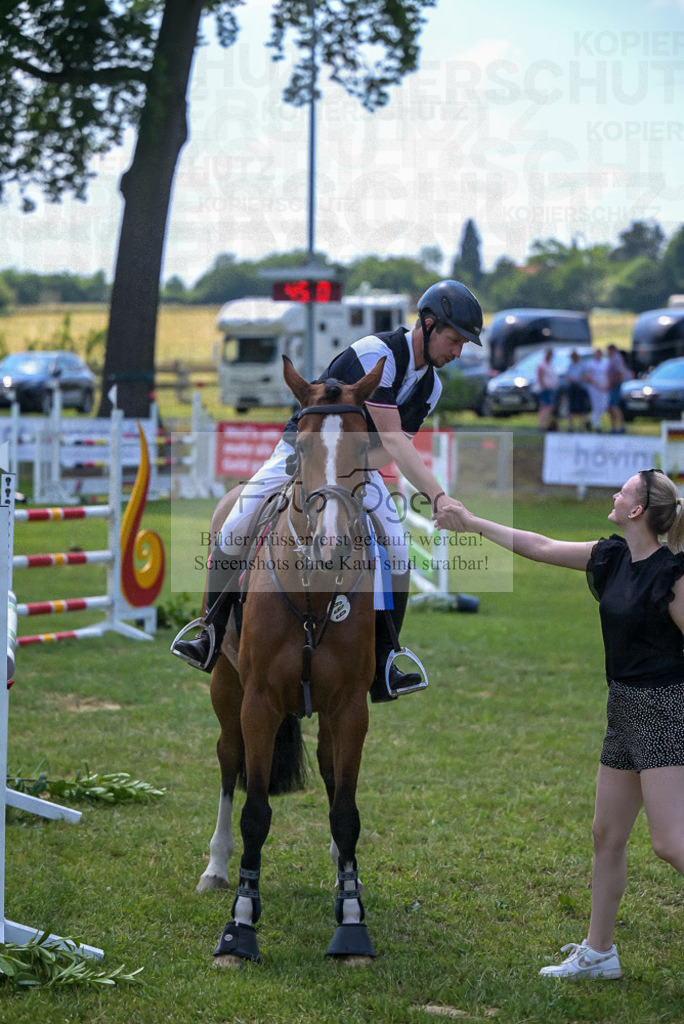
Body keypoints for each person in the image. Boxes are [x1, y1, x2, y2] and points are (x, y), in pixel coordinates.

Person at [172, 279, 484, 703]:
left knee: (396, 548)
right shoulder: (378, 354)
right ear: (428, 325)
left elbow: (387, 452)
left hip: (353, 467)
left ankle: (388, 658)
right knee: (235, 526)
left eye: (464, 343)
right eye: (454, 339)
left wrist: (346, 475)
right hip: (299, 453)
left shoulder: (432, 387)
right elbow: (393, 439)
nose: (458, 351)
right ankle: (209, 630)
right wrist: (439, 497)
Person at [434, 468, 684, 979]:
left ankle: (599, 952)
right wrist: (473, 522)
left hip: (664, 709)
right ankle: (599, 953)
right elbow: (542, 546)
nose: (614, 494)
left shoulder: (671, 576)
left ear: (638, 510)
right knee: (607, 833)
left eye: (624, 490)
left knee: (670, 843)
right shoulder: (612, 556)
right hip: (624, 709)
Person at [584, 348, 609, 432]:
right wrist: (596, 385)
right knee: (596, 405)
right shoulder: (591, 363)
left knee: (603, 405)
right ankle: (597, 424)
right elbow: (588, 375)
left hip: (603, 386)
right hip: (594, 387)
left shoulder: (605, 363)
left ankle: (590, 420)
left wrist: (605, 385)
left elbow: (607, 374)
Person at [565, 349, 589, 431]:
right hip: (572, 387)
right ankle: (571, 426)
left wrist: (579, 379)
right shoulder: (571, 365)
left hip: (580, 388)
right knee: (571, 407)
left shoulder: (582, 365)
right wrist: (571, 379)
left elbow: (586, 375)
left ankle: (582, 426)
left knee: (581, 408)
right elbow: (567, 375)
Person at [606, 343, 628, 434]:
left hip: (615, 385)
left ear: (612, 350)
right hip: (612, 385)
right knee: (611, 407)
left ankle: (621, 426)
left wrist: (613, 382)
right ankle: (613, 427)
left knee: (614, 406)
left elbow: (620, 372)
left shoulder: (616, 358)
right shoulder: (613, 358)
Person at [536, 348, 559, 431]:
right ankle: (542, 424)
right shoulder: (542, 365)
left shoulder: (551, 364)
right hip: (546, 389)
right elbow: (540, 377)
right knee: (547, 406)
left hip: (552, 388)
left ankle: (545, 424)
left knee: (548, 406)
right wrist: (544, 386)